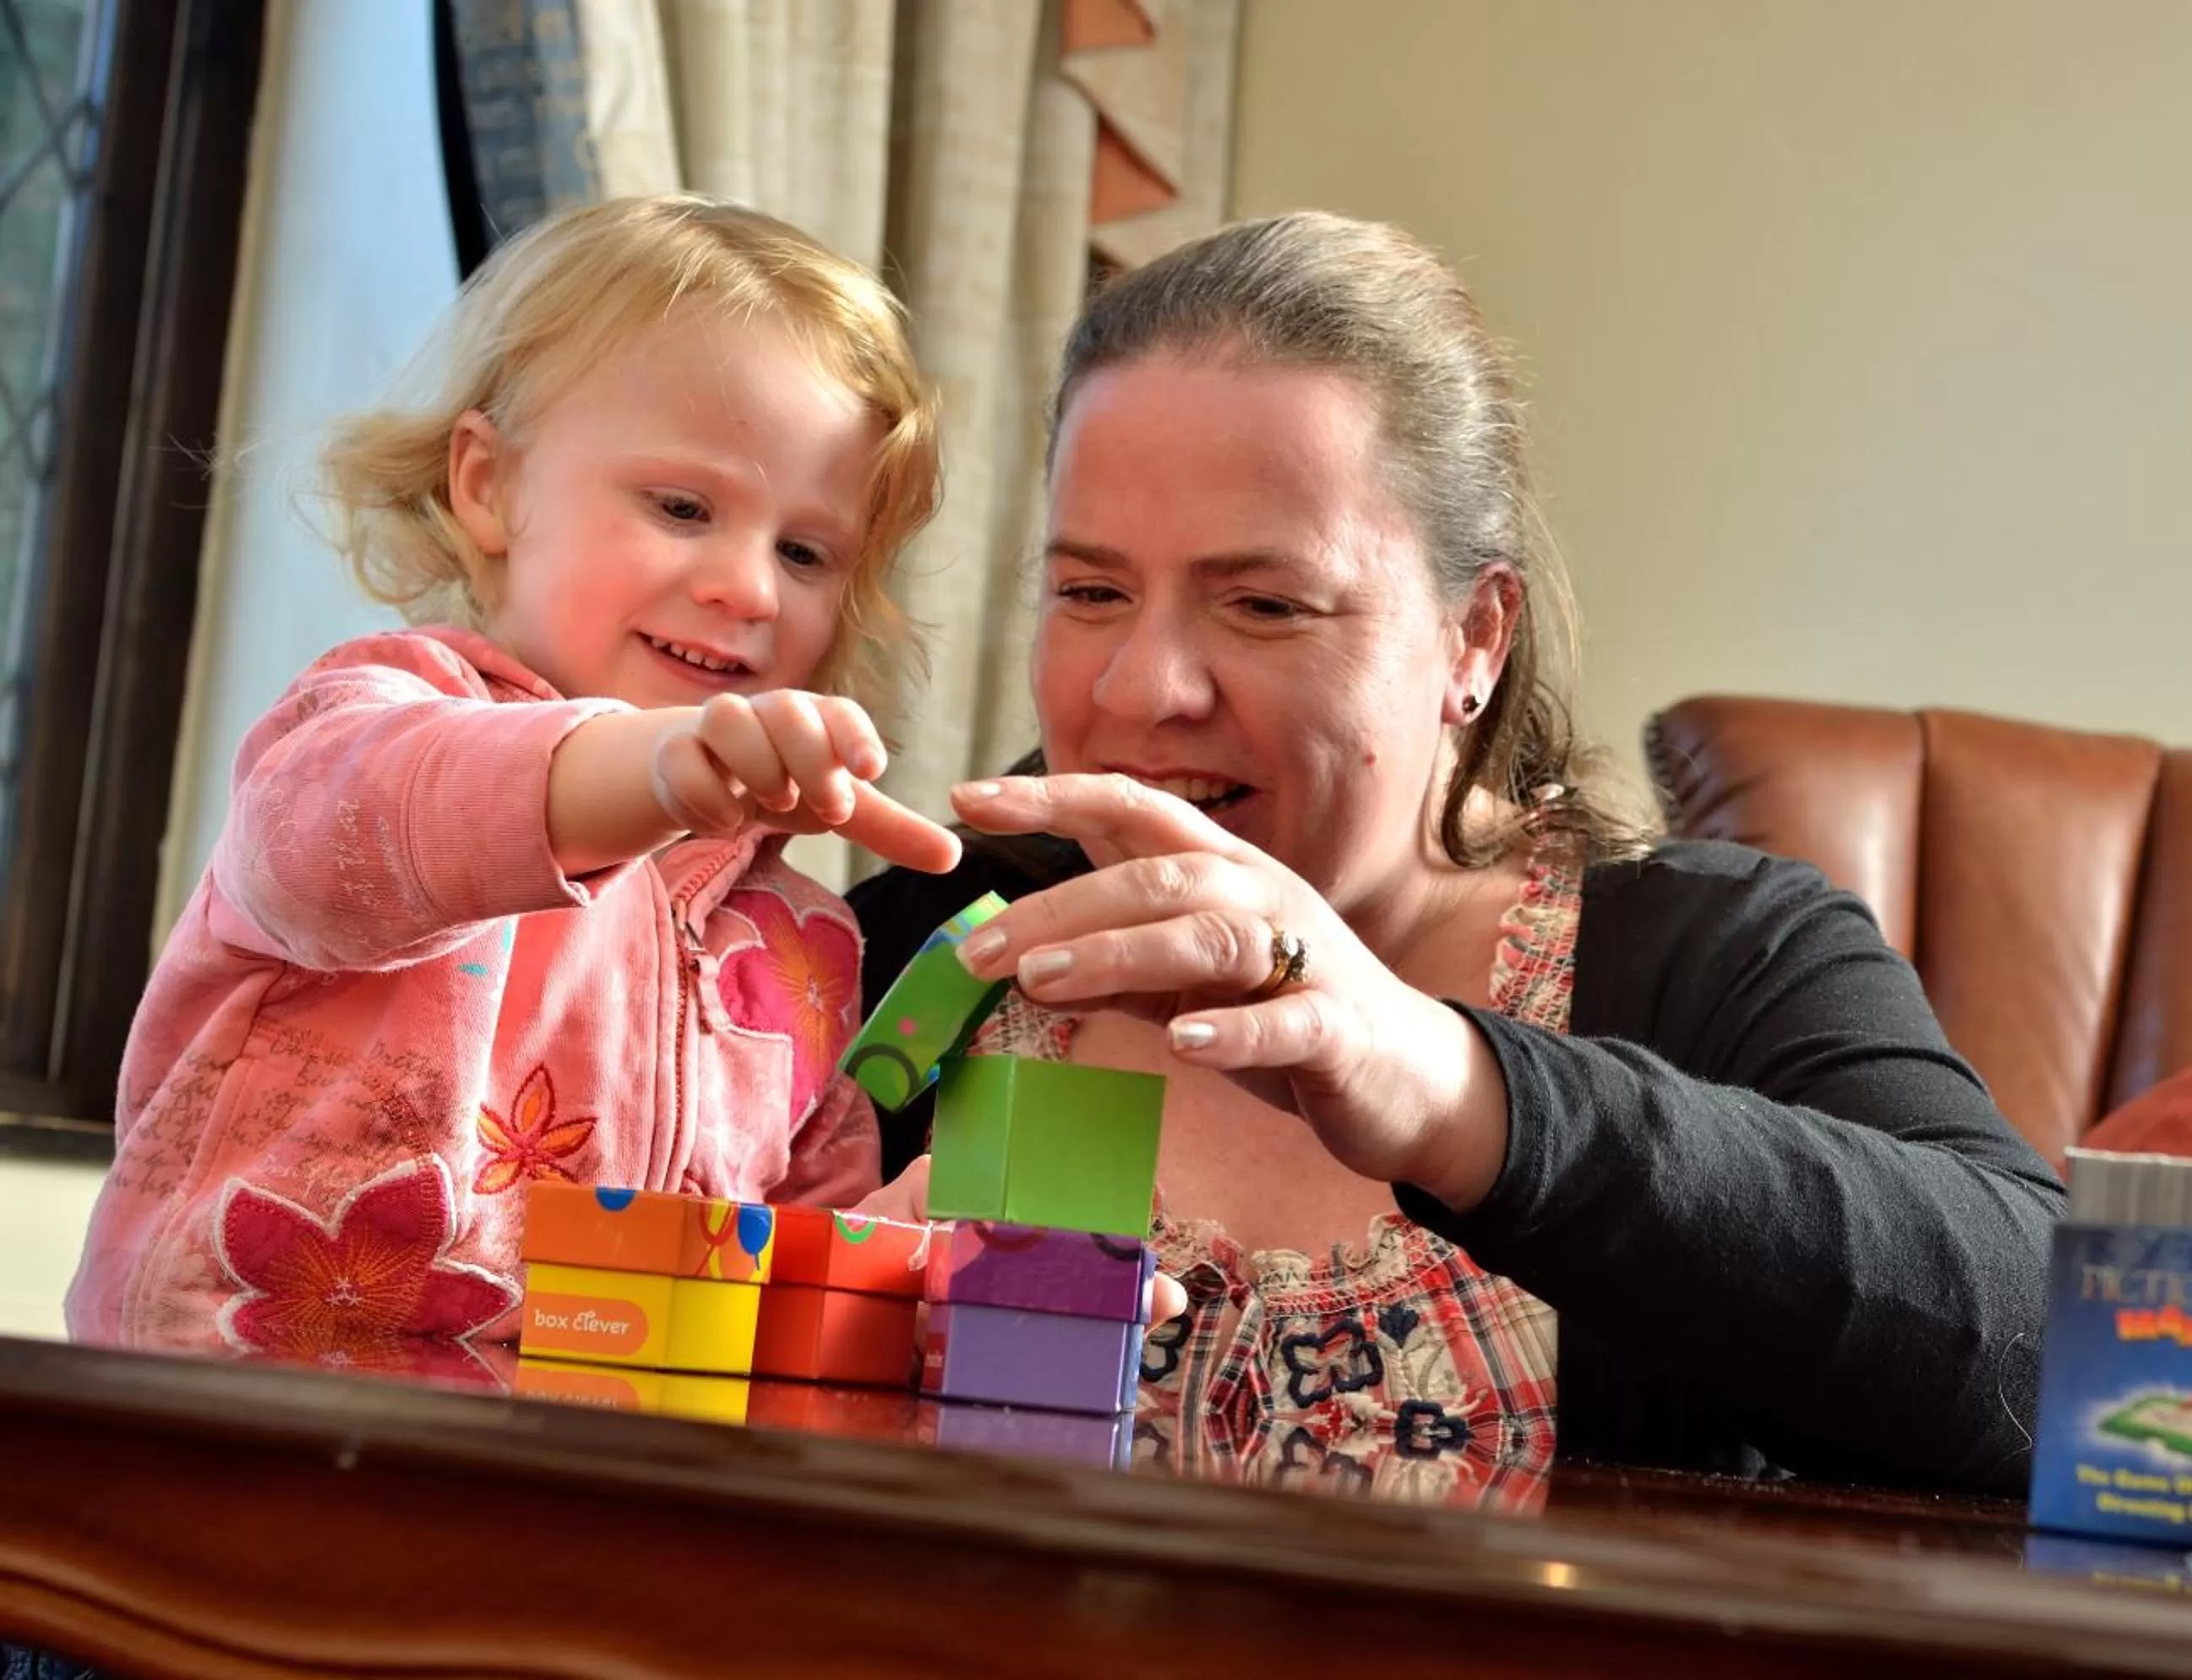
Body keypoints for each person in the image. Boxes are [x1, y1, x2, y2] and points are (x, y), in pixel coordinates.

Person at [848, 211, 2068, 1497]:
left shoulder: (1719, 959)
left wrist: (1454, 1091)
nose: (1147, 688)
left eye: (1265, 605)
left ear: (1475, 637)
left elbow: (2057, 1366)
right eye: (1091, 593)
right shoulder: (919, 947)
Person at [66, 196, 965, 1360]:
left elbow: (776, 1303)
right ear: (489, 487)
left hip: (563, 1480)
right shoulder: (374, 720)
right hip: (240, 1428)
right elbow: (327, 839)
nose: (750, 589)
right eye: (683, 508)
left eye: (805, 552)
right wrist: (644, 769)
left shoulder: (799, 938)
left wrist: (896, 1251)